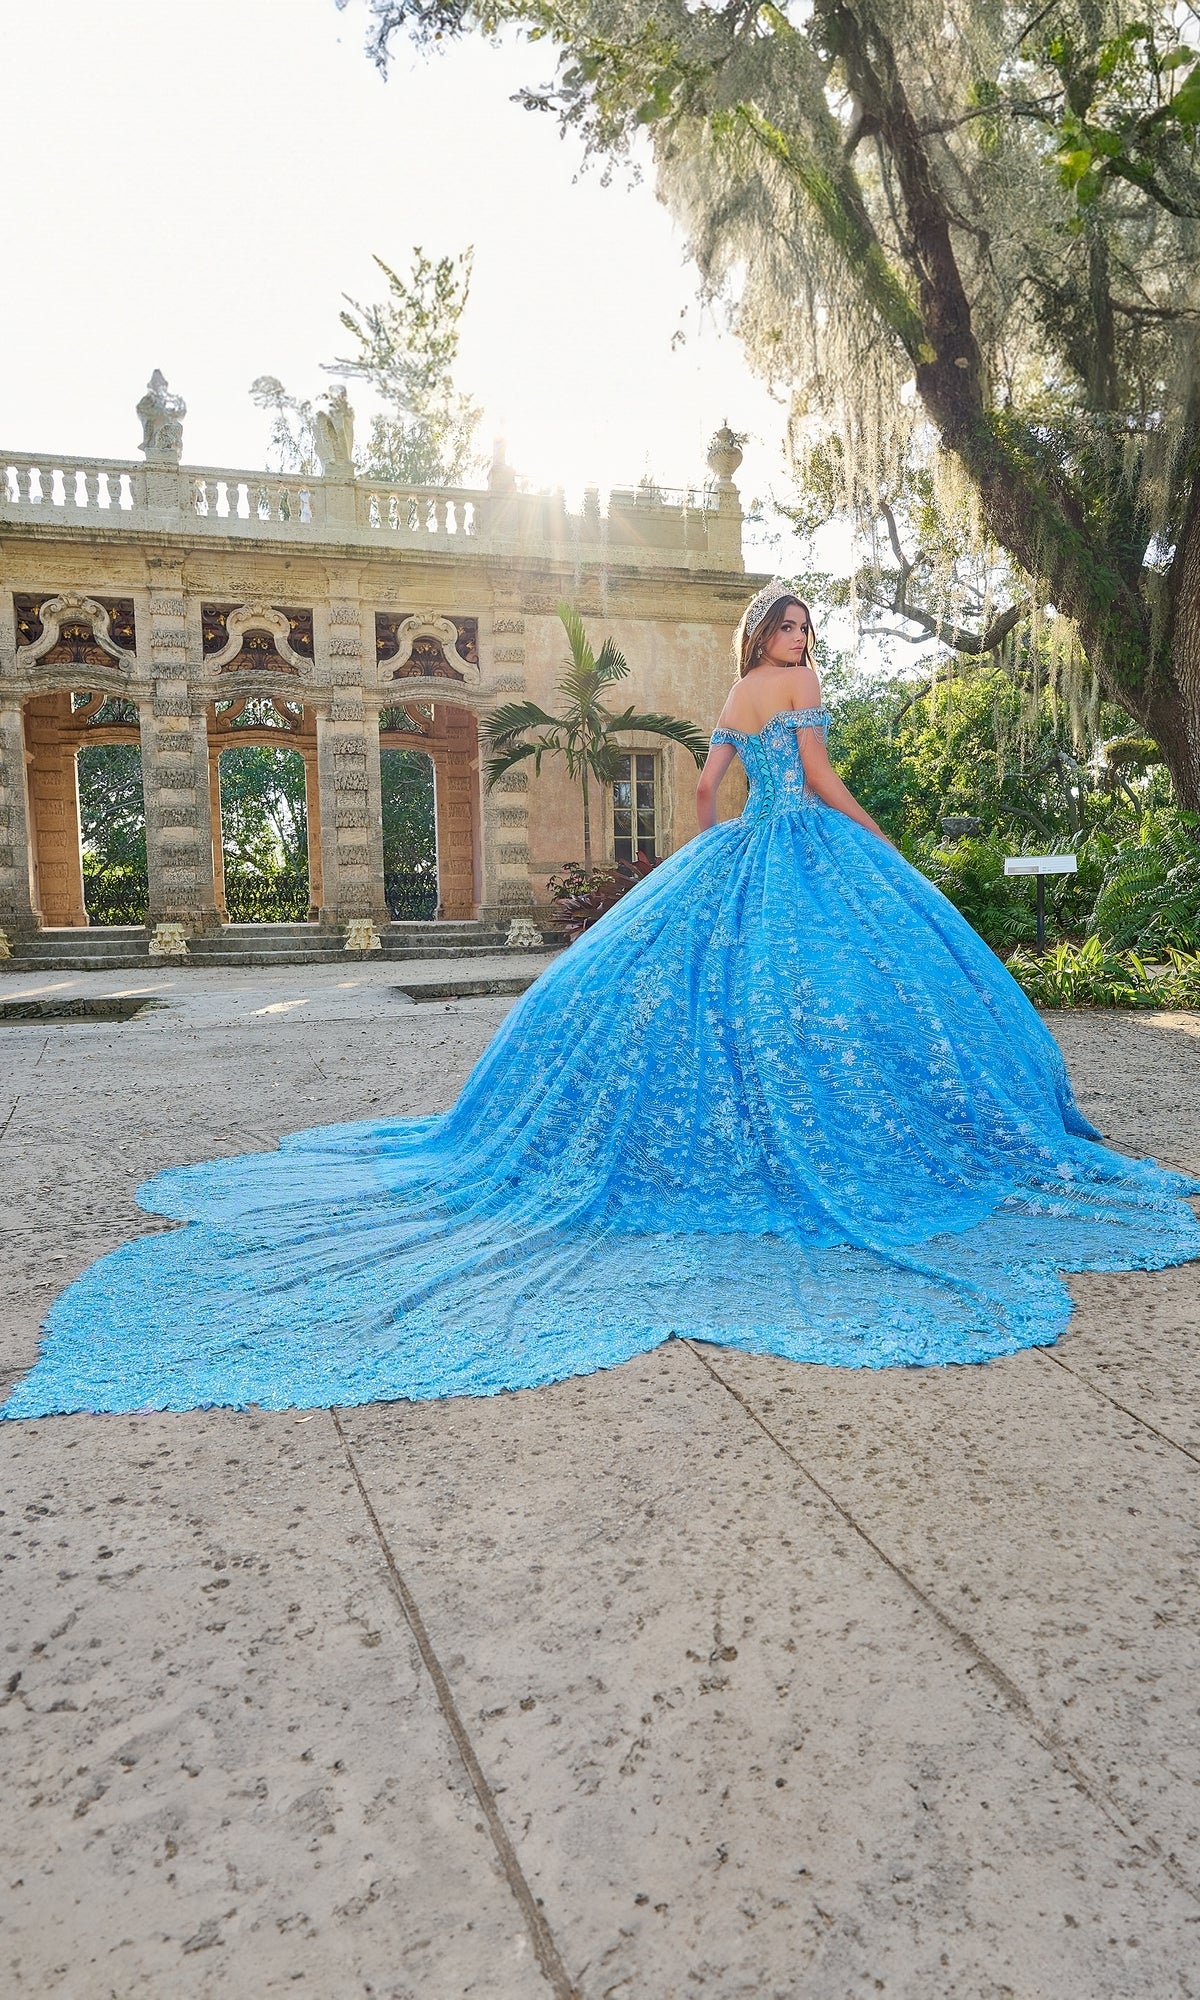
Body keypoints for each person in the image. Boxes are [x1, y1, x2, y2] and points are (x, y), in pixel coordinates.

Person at [5, 581, 1199, 1420]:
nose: (797, 637)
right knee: (850, 995)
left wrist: (718, 847)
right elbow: (820, 777)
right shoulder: (799, 688)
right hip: (798, 849)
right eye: (787, 625)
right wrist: (873, 835)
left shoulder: (736, 693)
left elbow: (703, 786)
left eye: (800, 624)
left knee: (766, 1004)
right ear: (771, 636)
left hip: (741, 852)